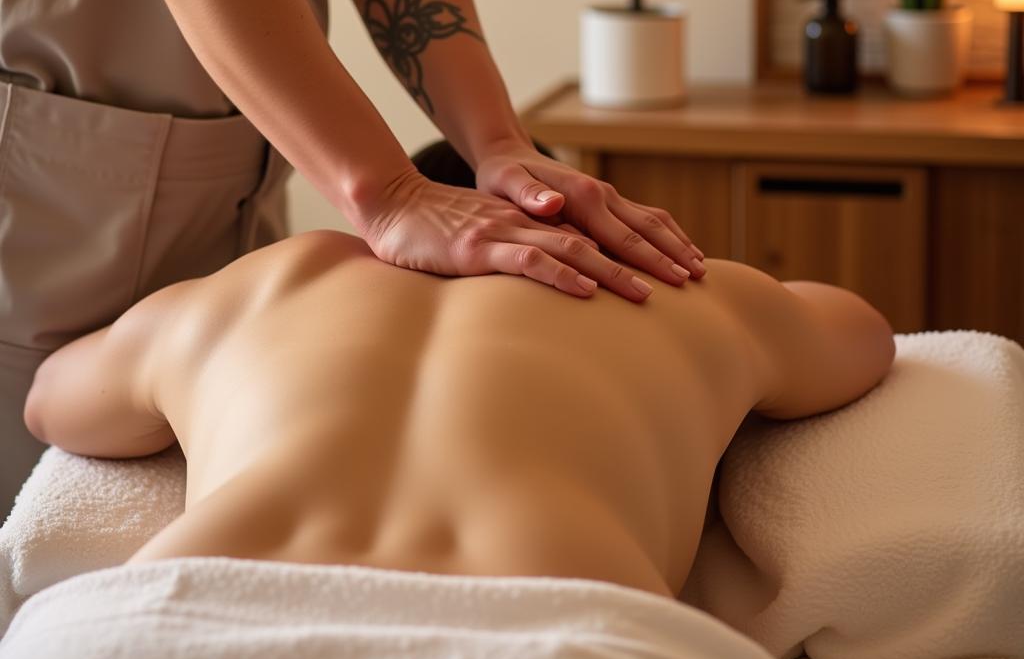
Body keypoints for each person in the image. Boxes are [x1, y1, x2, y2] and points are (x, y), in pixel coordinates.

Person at [0, 0, 704, 516]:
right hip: (51, 194)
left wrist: (500, 146)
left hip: (247, 179)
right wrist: (391, 190)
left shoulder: (304, 280)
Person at [22, 169, 895, 599]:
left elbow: (51, 400)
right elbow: (864, 334)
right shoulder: (670, 289)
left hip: (175, 607)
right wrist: (719, 278)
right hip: (562, 618)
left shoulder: (254, 288)